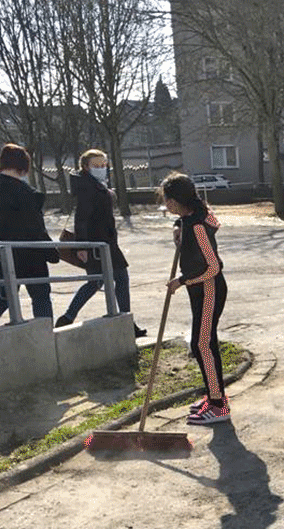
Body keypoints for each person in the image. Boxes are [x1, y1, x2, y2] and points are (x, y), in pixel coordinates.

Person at [160, 173, 230, 425]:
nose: (165, 203)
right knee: (204, 344)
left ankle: (219, 405)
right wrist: (178, 228)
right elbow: (201, 221)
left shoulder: (198, 226)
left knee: (202, 345)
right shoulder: (189, 220)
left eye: (167, 199)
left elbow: (213, 267)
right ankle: (214, 396)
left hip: (209, 289)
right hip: (199, 290)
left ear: (177, 200)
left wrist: (182, 280)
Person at [55, 149, 146, 338]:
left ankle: (69, 317)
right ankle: (125, 322)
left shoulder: (95, 184)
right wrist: (82, 246)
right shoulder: (88, 187)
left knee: (100, 281)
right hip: (97, 244)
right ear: (86, 167)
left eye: (104, 165)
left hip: (106, 243)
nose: (101, 168)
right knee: (111, 280)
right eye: (96, 165)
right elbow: (82, 219)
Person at [0, 144, 59, 327]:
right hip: (30, 255)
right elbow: (36, 229)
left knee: (2, 297)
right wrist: (52, 252)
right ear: (24, 166)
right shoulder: (28, 195)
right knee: (41, 296)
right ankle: (46, 336)